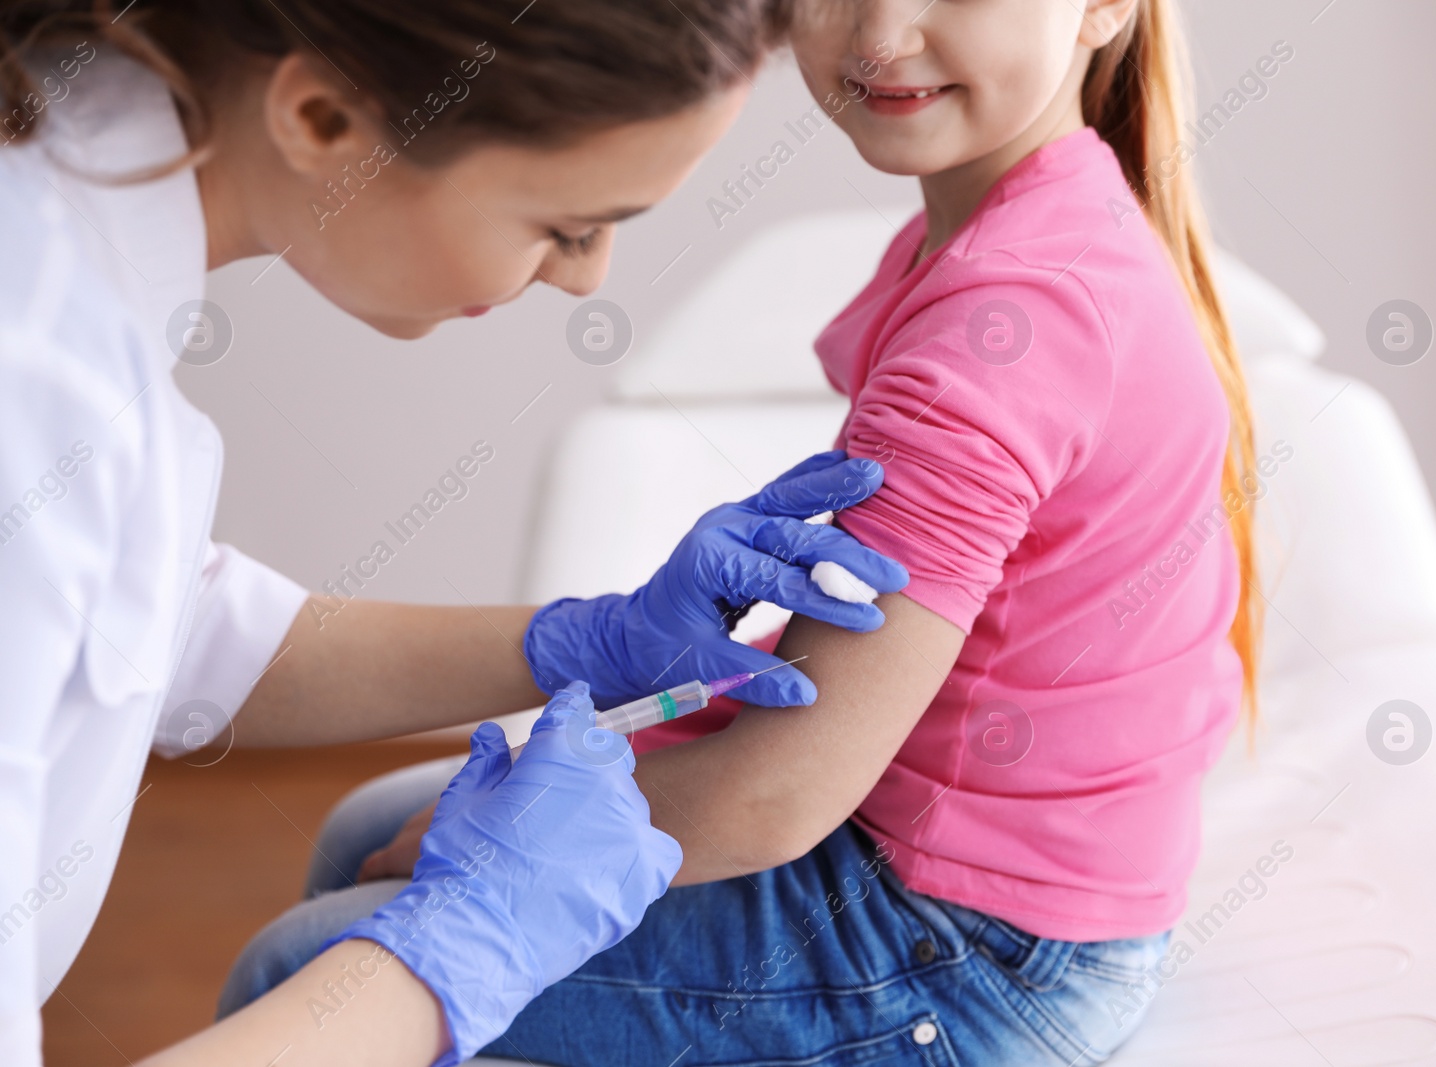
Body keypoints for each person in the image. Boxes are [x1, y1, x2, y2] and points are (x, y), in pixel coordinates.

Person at [223, 0, 1263, 1063]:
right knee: (369, 836)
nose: (880, 35)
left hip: (970, 951)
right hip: (964, 865)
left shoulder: (1005, 330)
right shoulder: (1026, 218)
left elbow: (773, 796)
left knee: (307, 972)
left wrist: (480, 852)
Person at [0, 1, 909, 1065]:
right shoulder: (36, 378)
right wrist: (469, 945)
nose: (585, 276)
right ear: (325, 117)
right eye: (568, 224)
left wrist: (592, 639)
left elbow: (150, 632)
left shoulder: (64, 247)